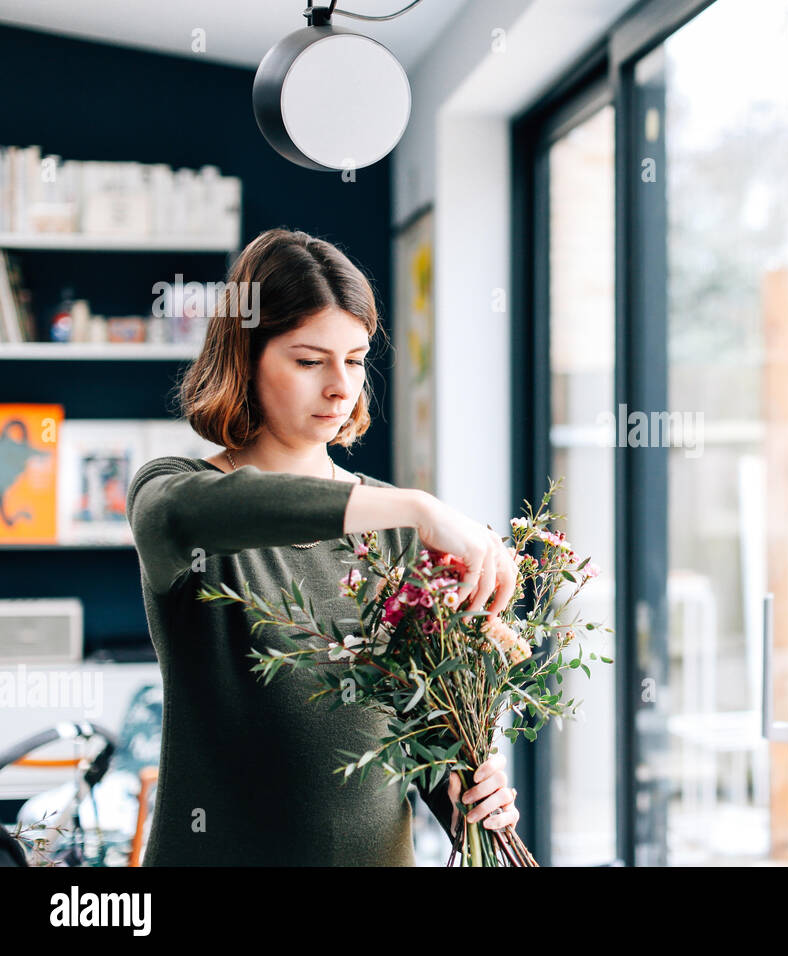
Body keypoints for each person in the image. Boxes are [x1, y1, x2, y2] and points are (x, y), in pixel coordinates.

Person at [125, 228, 519, 865]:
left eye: (357, 359)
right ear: (244, 358)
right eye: (310, 361)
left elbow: (410, 729)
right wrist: (420, 507)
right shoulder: (174, 496)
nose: (341, 387)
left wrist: (462, 791)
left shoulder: (395, 529)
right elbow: (202, 511)